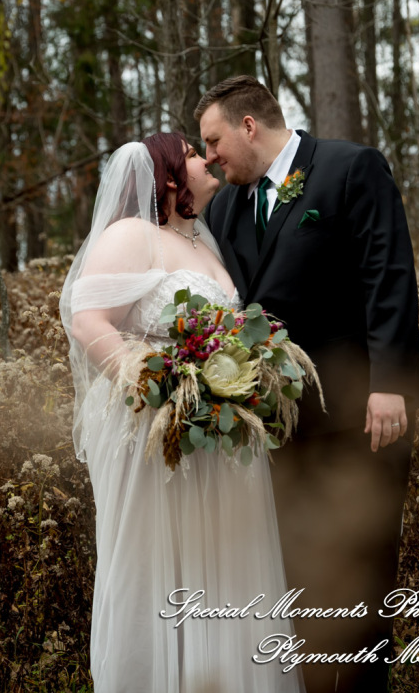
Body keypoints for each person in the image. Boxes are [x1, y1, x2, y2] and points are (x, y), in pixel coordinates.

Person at [196, 76, 419, 693]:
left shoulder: (351, 168)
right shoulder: (225, 208)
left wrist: (389, 383)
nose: (212, 158)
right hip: (277, 425)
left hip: (361, 414)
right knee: (294, 567)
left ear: (249, 126)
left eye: (214, 141)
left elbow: (390, 273)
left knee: (360, 561)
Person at [60, 133, 305, 693]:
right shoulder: (131, 234)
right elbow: (88, 318)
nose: (207, 159)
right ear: (169, 174)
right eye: (194, 153)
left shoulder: (201, 240)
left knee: (224, 565)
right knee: (159, 562)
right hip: (155, 427)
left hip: (216, 433)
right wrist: (159, 385)